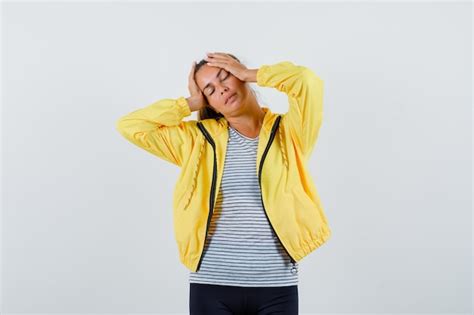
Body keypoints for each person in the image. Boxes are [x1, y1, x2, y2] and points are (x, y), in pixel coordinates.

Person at [116, 52, 332, 315]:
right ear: (210, 103)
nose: (222, 90)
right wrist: (189, 104)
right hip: (211, 283)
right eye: (210, 90)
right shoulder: (197, 140)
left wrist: (252, 73)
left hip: (276, 283)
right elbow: (130, 126)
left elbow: (306, 81)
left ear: (240, 76)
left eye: (225, 77)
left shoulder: (290, 133)